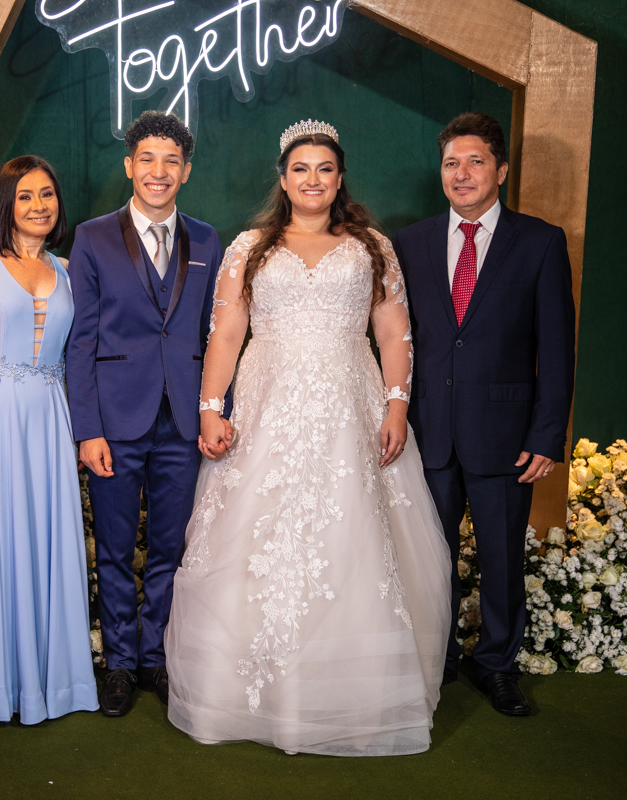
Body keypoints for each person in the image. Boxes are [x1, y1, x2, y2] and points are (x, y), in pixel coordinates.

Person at [164, 121, 452, 757]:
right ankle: (251, 693)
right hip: (267, 408)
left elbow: (395, 332)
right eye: (301, 168)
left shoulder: (372, 246)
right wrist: (211, 408)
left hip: (351, 407)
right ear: (284, 178)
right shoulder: (251, 247)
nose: (313, 179)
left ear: (340, 177)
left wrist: (397, 405)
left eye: (325, 168)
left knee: (353, 536)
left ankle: (354, 694)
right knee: (258, 538)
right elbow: (226, 333)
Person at [391, 112, 576, 716]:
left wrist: (547, 434)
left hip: (507, 435)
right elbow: (396, 338)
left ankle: (497, 665)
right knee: (430, 557)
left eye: (475, 162)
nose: (462, 173)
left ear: (500, 170)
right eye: (451, 163)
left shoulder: (540, 242)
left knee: (500, 559)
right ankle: (437, 661)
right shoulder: (410, 243)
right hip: (428, 431)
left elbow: (557, 347)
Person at [66, 111, 227, 717]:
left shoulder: (207, 240)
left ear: (186, 171)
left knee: (169, 549)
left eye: (171, 161)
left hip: (182, 423)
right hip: (114, 422)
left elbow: (217, 337)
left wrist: (214, 411)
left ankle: (156, 656)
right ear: (130, 166)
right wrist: (88, 429)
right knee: (113, 549)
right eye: (148, 159)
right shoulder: (92, 237)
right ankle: (120, 664)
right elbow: (80, 341)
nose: (159, 171)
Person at [0, 156, 98, 723]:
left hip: (49, 421)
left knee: (45, 538)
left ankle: (51, 685)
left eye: (47, 194)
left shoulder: (69, 271)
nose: (39, 206)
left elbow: (78, 356)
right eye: (26, 195)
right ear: (5, 203)